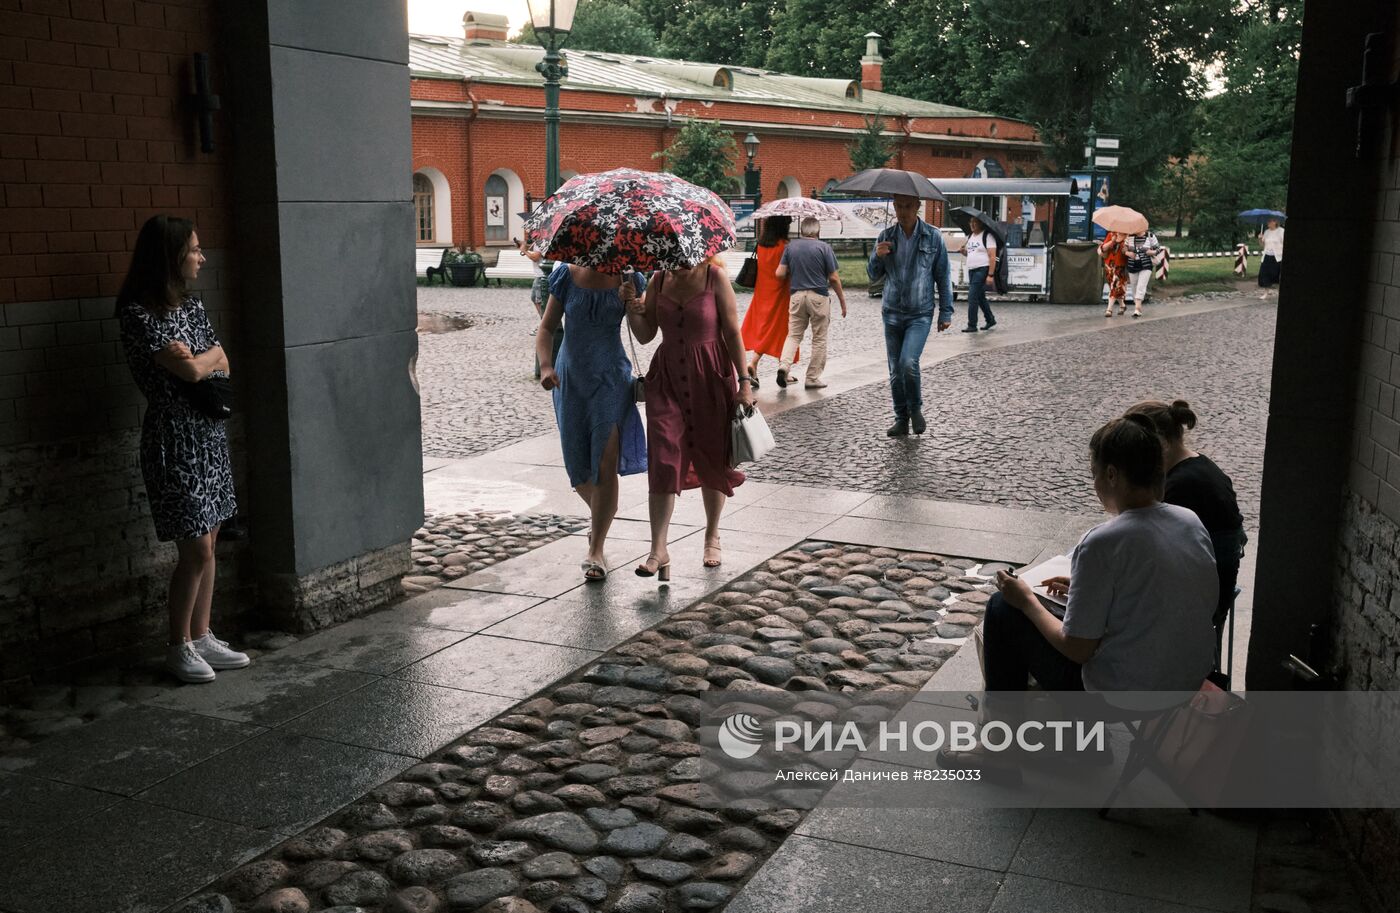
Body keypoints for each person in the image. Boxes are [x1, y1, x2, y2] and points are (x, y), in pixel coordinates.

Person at [941, 415, 1218, 776]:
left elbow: (1077, 648)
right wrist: (1086, 591)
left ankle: (999, 751)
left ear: (1113, 475)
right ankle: (1083, 743)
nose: (1095, 484)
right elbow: (1155, 594)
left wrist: (1024, 597)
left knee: (1002, 610)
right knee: (1055, 611)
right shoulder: (1189, 520)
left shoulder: (1104, 541)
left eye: (1095, 475)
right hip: (1187, 680)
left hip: (1124, 694)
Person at [116, 215, 249, 684]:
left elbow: (219, 360)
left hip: (208, 433)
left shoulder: (191, 307)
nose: (201, 256)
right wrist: (199, 363)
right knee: (194, 547)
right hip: (174, 439)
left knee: (210, 542)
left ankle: (203, 634)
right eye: (194, 248)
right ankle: (179, 645)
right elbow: (193, 374)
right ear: (171, 256)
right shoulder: (137, 314)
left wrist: (199, 359)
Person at [627, 258, 754, 578]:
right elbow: (645, 335)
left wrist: (745, 383)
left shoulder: (715, 278)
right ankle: (659, 548)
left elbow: (732, 332)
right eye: (670, 251)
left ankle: (712, 534)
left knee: (713, 455)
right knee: (664, 456)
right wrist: (631, 306)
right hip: (667, 380)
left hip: (710, 377)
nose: (676, 258)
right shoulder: (658, 280)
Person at [536, 264, 648, 581]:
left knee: (605, 461)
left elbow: (642, 335)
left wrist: (633, 304)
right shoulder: (565, 276)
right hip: (570, 378)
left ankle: (595, 549)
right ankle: (603, 513)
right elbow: (546, 328)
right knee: (579, 469)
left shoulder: (631, 278)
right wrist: (545, 366)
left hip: (612, 378)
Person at [1124, 399, 1246, 656]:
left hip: (1193, 606)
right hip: (1212, 593)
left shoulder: (1179, 488)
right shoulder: (1201, 468)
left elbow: (1144, 553)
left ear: (1157, 443)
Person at [867, 194, 954, 437]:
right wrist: (877, 255)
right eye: (899, 207)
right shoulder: (886, 237)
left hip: (920, 312)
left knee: (908, 363)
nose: (903, 212)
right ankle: (901, 418)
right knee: (895, 370)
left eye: (908, 206)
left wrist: (946, 311)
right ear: (894, 207)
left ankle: (915, 409)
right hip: (892, 312)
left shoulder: (932, 236)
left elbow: (942, 275)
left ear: (918, 207)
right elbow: (872, 275)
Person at [774, 217, 846, 389]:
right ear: (817, 231)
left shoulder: (791, 247)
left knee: (793, 335)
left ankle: (784, 365)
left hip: (797, 296)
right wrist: (842, 301)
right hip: (819, 297)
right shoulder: (824, 247)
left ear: (802, 230)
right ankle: (812, 378)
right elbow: (834, 278)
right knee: (819, 338)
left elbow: (779, 273)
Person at [739, 216, 793, 389]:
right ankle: (760, 364)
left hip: (762, 290)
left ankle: (779, 367)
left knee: (765, 327)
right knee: (781, 329)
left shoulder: (761, 245)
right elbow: (786, 271)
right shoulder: (785, 247)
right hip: (781, 292)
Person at [962, 215, 998, 332]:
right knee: (980, 297)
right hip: (972, 269)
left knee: (972, 296)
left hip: (982, 269)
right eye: (970, 222)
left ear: (981, 223)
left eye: (975, 222)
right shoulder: (970, 237)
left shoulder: (987, 236)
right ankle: (990, 319)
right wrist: (964, 252)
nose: (972, 224)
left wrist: (990, 275)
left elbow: (992, 257)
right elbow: (970, 253)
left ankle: (972, 325)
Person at [1124, 229, 1161, 318]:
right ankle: (1137, 305)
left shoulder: (1150, 236)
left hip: (1146, 265)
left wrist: (1151, 252)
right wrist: (1128, 253)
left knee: (1141, 286)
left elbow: (1158, 249)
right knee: (1134, 287)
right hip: (1132, 265)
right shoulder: (1129, 236)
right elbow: (1123, 249)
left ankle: (1137, 308)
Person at [1099, 231, 1129, 317]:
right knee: (1115, 287)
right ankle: (1122, 305)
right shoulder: (1111, 234)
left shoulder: (1129, 237)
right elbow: (1103, 248)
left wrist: (1126, 249)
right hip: (1109, 265)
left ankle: (1109, 309)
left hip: (1121, 266)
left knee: (1114, 286)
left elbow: (1129, 252)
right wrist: (1112, 241)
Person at [1258, 217, 1284, 288]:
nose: (1268, 222)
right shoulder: (1266, 232)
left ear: (1275, 222)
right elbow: (1262, 245)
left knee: (1276, 275)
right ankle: (1266, 293)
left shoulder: (1281, 231)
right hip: (1267, 256)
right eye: (1268, 221)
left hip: (1278, 257)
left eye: (1270, 221)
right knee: (1264, 274)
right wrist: (1260, 239)